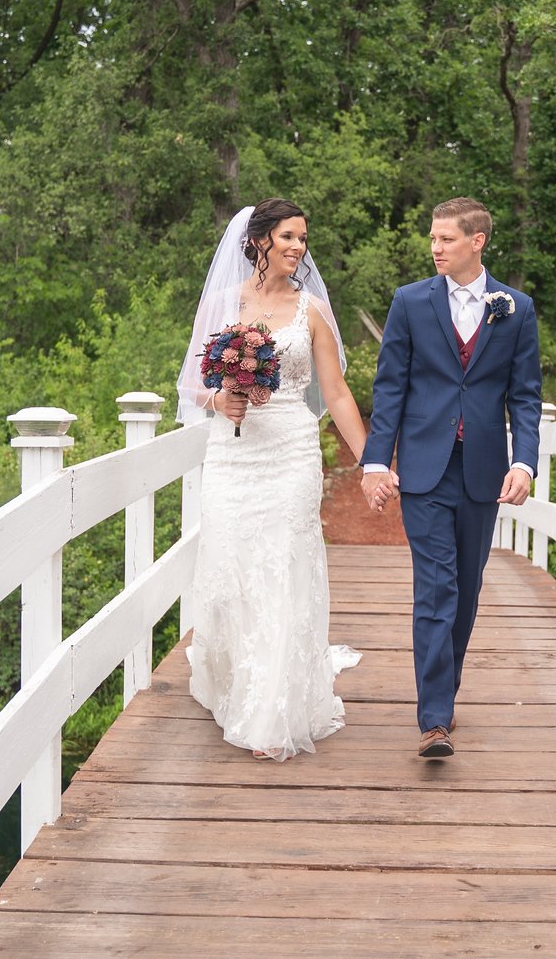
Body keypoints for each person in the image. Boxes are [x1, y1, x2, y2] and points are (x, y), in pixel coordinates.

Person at [176, 199, 369, 761]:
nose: (298, 247)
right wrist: (220, 397)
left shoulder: (312, 311)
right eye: (287, 236)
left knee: (284, 565)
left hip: (289, 451)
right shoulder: (221, 305)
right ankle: (234, 682)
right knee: (233, 565)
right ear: (257, 240)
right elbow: (191, 384)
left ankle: (271, 709)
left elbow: (334, 394)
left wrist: (372, 461)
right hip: (233, 459)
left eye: (303, 239)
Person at [359, 198, 542, 758]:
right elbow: (390, 387)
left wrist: (523, 462)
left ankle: (446, 691)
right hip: (424, 468)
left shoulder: (515, 308)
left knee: (466, 592)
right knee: (436, 589)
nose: (435, 248)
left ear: (477, 241)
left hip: (484, 470)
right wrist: (374, 461)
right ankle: (433, 719)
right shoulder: (410, 302)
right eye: (433, 239)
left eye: (446, 239)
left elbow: (525, 397)